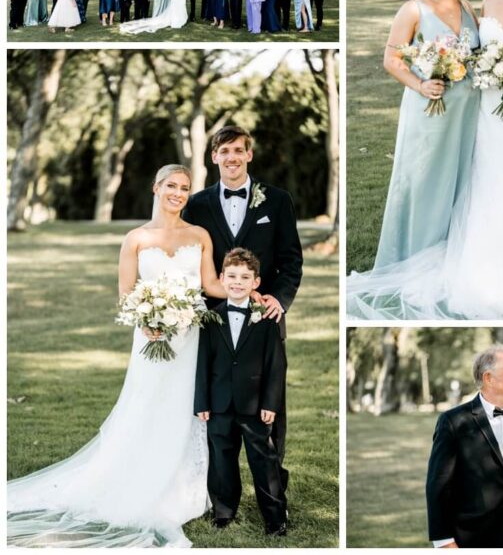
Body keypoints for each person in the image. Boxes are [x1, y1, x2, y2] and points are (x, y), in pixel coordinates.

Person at [6, 165, 229, 547]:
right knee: (146, 407)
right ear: (155, 187)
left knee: (185, 409)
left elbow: (210, 285)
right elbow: (127, 295)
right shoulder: (136, 239)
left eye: (185, 188)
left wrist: (251, 293)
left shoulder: (200, 235)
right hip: (151, 340)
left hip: (191, 340)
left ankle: (182, 489)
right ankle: (137, 479)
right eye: (171, 186)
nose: (178, 193)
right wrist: (146, 322)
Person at [346, 0, 481, 316]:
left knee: (461, 181)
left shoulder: (468, 6)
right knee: (426, 183)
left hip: (468, 111)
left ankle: (452, 258)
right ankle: (417, 263)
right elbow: (391, 58)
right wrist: (421, 84)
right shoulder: (413, 9)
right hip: (430, 111)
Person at [182, 125, 303, 491]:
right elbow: (190, 262)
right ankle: (219, 492)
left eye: (238, 150)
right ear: (213, 156)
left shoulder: (277, 200)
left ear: (249, 155)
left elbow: (291, 261)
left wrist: (278, 300)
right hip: (214, 322)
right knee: (217, 408)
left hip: (263, 319)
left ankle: (272, 488)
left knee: (268, 407)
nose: (231, 157)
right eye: (224, 151)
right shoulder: (197, 204)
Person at [195, 248, 287, 536]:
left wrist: (270, 403)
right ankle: (223, 510)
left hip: (255, 404)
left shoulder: (267, 320)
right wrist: (202, 402)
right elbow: (201, 364)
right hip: (219, 403)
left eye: (245, 277)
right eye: (232, 276)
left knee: (264, 460)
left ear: (255, 283)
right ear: (221, 279)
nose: (237, 282)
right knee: (222, 459)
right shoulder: (210, 320)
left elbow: (276, 365)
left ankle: (275, 516)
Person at [426, 345, 503, 548]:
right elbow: (438, 485)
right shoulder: (453, 421)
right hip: (473, 539)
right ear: (489, 378)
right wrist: (444, 543)